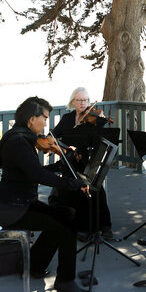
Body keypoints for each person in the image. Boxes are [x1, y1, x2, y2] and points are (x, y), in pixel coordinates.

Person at [0, 96, 89, 292]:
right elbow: (37, 176)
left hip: (20, 204)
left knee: (65, 214)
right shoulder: (18, 142)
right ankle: (65, 281)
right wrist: (72, 183)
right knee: (66, 222)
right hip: (13, 210)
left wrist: (60, 166)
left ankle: (35, 265)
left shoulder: (21, 137)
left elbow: (33, 171)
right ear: (31, 119)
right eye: (44, 118)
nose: (45, 123)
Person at [48, 87, 114, 240]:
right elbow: (54, 135)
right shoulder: (67, 119)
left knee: (96, 188)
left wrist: (101, 121)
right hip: (71, 161)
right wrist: (51, 145)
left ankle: (104, 225)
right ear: (73, 102)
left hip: (90, 160)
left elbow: (100, 140)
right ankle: (81, 226)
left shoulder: (94, 118)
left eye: (85, 100)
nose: (83, 103)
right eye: (80, 100)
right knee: (73, 186)